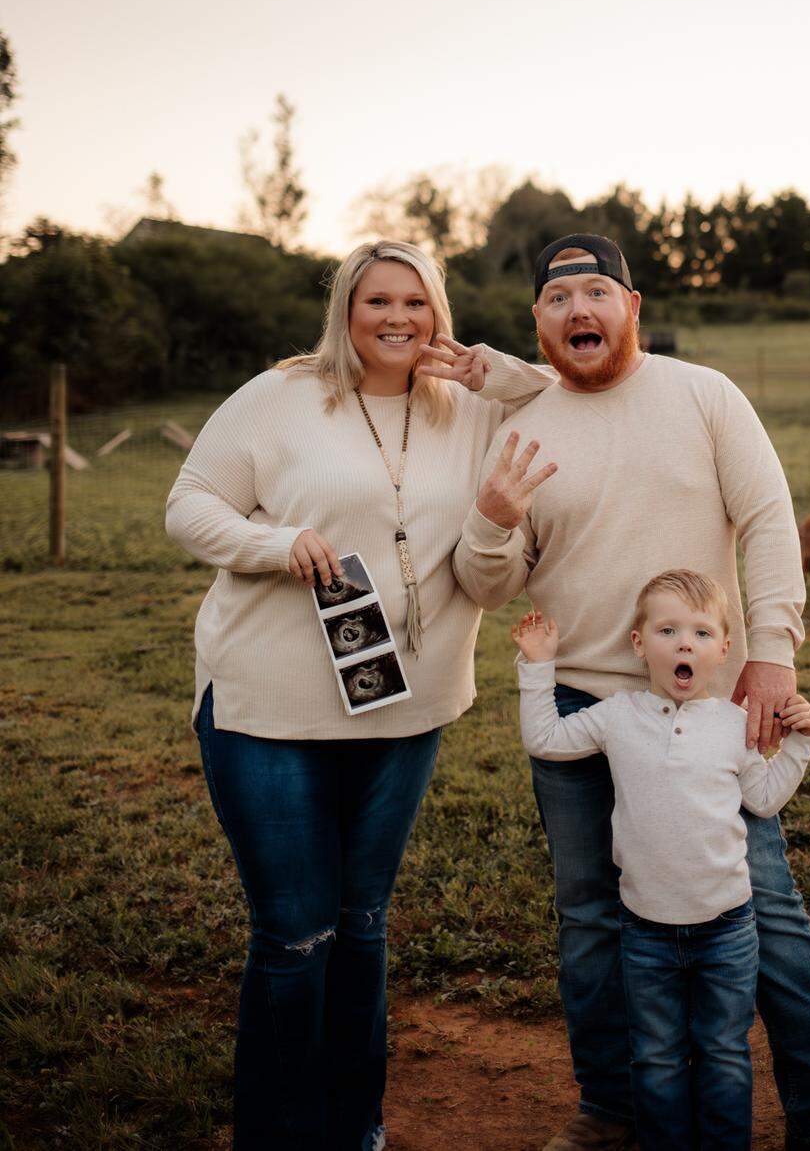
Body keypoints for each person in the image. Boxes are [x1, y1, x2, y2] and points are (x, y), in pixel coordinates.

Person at [454, 233, 810, 1151]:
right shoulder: (521, 426)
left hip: (709, 706)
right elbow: (493, 584)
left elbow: (768, 520)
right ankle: (611, 1108)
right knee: (590, 918)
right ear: (538, 322)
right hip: (580, 703)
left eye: (596, 292)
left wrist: (773, 654)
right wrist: (491, 524)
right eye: (559, 297)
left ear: (632, 307)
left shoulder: (704, 395)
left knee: (764, 903)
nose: (579, 309)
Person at [165, 240, 552, 1151]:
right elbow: (189, 505)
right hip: (270, 708)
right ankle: (277, 1134)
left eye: (416, 302)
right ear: (346, 309)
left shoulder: (471, 409)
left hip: (405, 708)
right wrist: (275, 543)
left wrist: (490, 370)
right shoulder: (283, 395)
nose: (397, 318)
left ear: (439, 314)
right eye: (377, 300)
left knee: (363, 924)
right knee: (296, 936)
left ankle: (355, 1127)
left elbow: (564, 393)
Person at [513, 570, 810, 1151]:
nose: (685, 644)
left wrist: (800, 744)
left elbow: (763, 799)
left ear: (724, 650)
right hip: (645, 929)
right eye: (668, 630)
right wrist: (538, 666)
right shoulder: (617, 716)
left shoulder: (733, 726)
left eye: (702, 633)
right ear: (639, 643)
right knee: (655, 1056)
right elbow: (546, 740)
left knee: (723, 1051)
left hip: (727, 929)